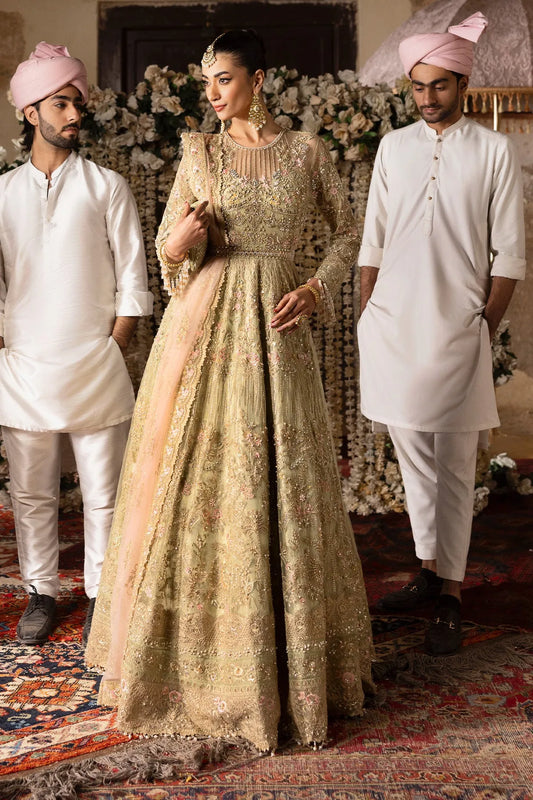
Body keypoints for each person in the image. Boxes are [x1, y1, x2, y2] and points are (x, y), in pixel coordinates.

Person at [86, 29, 374, 752]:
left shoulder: (306, 151)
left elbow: (349, 233)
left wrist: (315, 287)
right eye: (204, 81)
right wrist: (177, 246)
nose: (210, 94)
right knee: (199, 483)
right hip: (206, 328)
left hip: (278, 331)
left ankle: (290, 670)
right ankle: (191, 668)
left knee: (283, 482)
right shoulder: (199, 153)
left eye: (222, 79)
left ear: (258, 79)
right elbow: (166, 250)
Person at [357, 12, 526, 655]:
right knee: (413, 458)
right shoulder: (393, 147)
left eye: (440, 85)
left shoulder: (494, 151)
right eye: (418, 86)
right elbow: (373, 238)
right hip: (392, 326)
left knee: (454, 464)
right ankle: (427, 571)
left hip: (457, 327)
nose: (428, 98)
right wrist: (369, 312)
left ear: (464, 80)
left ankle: (450, 591)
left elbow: (508, 255)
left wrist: (479, 324)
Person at [0, 42, 153, 647]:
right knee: (32, 494)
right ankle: (42, 591)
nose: (73, 114)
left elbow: (133, 277)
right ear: (31, 112)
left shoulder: (106, 186)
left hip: (95, 362)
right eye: (60, 103)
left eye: (76, 103)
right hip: (24, 366)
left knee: (104, 494)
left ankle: (99, 594)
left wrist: (114, 344)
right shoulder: (3, 192)